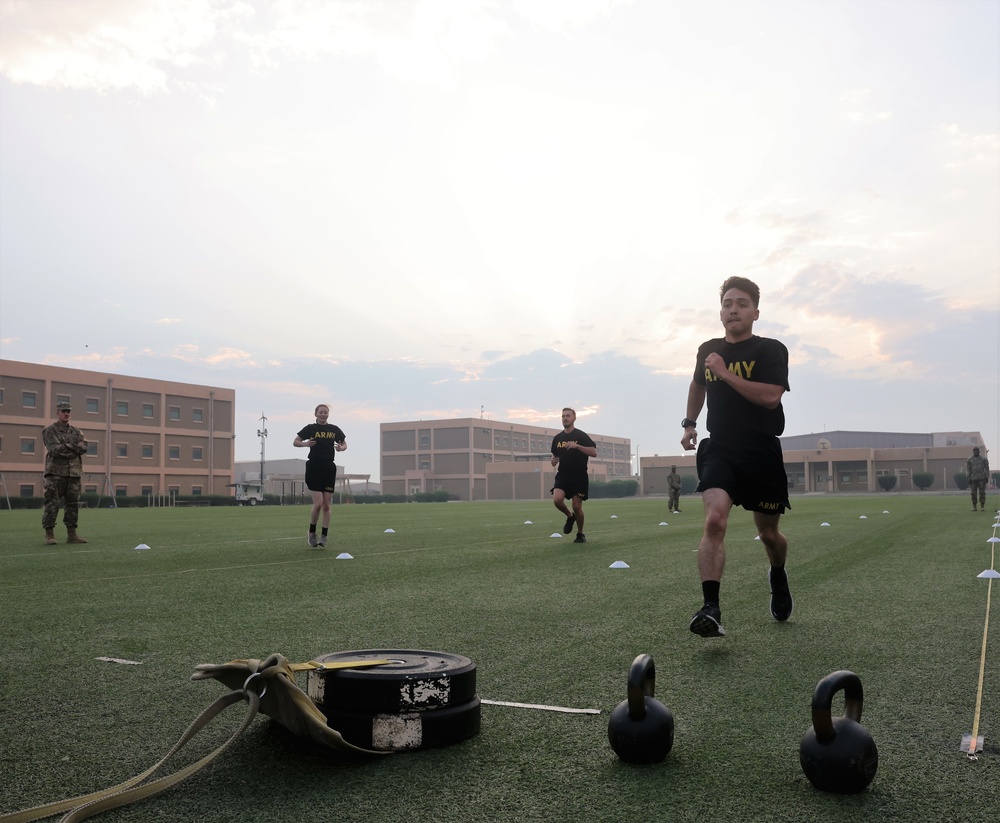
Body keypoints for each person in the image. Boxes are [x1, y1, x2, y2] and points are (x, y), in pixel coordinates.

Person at [681, 276, 792, 637]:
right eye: (728, 303)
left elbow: (770, 397)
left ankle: (777, 573)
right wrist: (689, 423)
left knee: (770, 535)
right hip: (721, 447)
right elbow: (698, 383)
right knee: (714, 520)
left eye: (742, 303)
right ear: (720, 312)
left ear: (756, 312)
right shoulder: (708, 350)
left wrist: (725, 373)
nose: (734, 309)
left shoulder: (770, 350)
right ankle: (710, 607)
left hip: (760, 449)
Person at [293, 404, 346, 547]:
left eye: (325, 412)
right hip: (314, 467)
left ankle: (324, 535)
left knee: (326, 505)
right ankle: (311, 533)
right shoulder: (310, 428)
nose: (323, 414)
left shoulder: (334, 429)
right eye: (320, 412)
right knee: (318, 504)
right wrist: (305, 444)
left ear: (328, 414)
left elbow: (344, 443)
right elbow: (295, 442)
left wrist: (341, 448)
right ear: (315, 414)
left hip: (328, 467)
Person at [41, 402, 89, 545]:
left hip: (73, 474)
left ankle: (72, 535)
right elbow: (54, 449)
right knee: (52, 504)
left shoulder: (76, 431)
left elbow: (85, 447)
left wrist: (67, 446)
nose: (66, 413)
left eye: (68, 411)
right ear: (58, 412)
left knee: (73, 504)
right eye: (63, 411)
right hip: (55, 474)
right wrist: (74, 447)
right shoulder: (50, 431)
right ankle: (50, 534)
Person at [550, 407, 598, 544]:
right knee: (557, 500)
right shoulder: (557, 438)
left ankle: (580, 534)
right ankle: (570, 516)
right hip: (563, 475)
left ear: (574, 418)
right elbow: (555, 455)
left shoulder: (581, 436)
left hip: (579, 476)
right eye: (563, 416)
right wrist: (554, 461)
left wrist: (577, 446)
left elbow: (594, 452)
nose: (565, 418)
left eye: (568, 416)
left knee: (577, 506)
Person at [967, 446, 990, 512]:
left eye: (977, 450)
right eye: (974, 450)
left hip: (981, 478)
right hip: (973, 479)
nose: (975, 451)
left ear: (979, 451)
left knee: (982, 493)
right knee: (973, 493)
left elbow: (986, 468)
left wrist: (986, 477)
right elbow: (968, 469)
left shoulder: (983, 459)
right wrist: (968, 477)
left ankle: (982, 506)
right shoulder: (970, 459)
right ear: (973, 451)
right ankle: (974, 506)